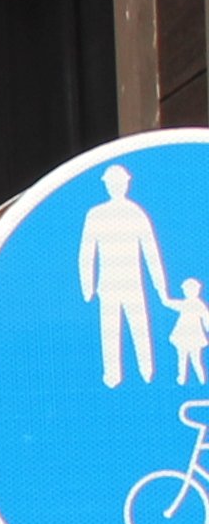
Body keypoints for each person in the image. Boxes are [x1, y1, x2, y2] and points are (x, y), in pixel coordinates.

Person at [88, 162, 177, 385]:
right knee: (110, 331)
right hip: (108, 285)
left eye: (119, 182)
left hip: (132, 283)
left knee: (139, 327)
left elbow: (151, 253)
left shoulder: (136, 213)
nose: (116, 186)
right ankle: (113, 376)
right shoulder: (96, 214)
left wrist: (161, 289)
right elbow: (87, 254)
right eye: (112, 183)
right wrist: (88, 287)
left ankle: (148, 374)